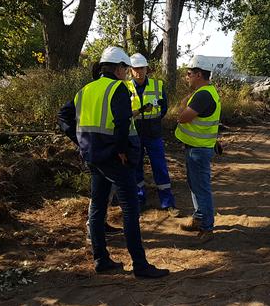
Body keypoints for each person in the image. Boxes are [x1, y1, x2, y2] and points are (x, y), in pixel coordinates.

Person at [57, 46, 169, 278]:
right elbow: (120, 122)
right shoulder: (117, 88)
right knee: (130, 209)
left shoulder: (86, 89)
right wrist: (120, 150)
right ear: (118, 68)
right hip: (115, 159)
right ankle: (140, 265)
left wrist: (78, 141)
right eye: (126, 69)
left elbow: (63, 116)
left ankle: (101, 260)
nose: (127, 73)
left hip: (93, 156)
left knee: (97, 206)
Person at [175, 55, 222, 242]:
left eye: (189, 73)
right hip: (197, 148)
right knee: (195, 187)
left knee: (201, 188)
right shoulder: (205, 92)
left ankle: (207, 227)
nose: (187, 76)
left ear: (199, 74)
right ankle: (199, 218)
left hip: (198, 149)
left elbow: (183, 117)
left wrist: (181, 108)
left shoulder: (203, 95)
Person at [127, 53, 179, 217]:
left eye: (141, 68)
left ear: (146, 69)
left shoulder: (157, 85)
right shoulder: (125, 88)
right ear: (130, 70)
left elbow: (163, 108)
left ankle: (167, 203)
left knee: (160, 167)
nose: (139, 72)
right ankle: (140, 200)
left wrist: (153, 119)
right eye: (135, 69)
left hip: (154, 133)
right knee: (136, 168)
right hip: (134, 133)